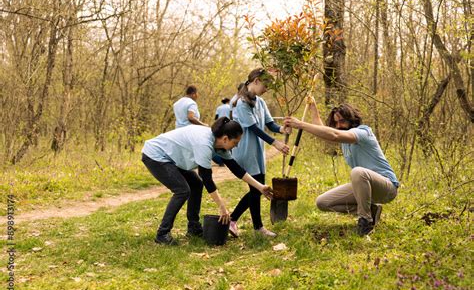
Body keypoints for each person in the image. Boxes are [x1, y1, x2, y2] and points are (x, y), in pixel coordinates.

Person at [142, 117, 273, 245]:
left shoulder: (219, 144)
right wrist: (222, 206)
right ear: (225, 138)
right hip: (156, 155)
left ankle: (193, 228)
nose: (236, 146)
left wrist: (260, 187)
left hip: (171, 157)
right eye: (235, 143)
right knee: (182, 190)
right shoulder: (204, 143)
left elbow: (236, 169)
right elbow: (207, 178)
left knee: (196, 184)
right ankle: (162, 234)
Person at [284, 101, 399, 235]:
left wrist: (300, 125)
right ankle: (372, 211)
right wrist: (313, 107)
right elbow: (325, 131)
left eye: (342, 121)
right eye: (336, 123)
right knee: (323, 202)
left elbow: (334, 134)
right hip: (365, 186)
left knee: (358, 172)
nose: (339, 126)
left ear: (352, 119)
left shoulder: (363, 132)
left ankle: (365, 222)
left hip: (386, 187)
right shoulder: (344, 141)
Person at [229, 68, 291, 238]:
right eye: (266, 85)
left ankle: (245, 224)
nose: (267, 89)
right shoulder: (240, 102)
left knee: (257, 189)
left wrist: (281, 129)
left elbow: (269, 124)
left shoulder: (260, 102)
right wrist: (275, 143)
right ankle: (245, 223)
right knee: (257, 189)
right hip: (246, 151)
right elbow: (254, 128)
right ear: (256, 80)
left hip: (257, 152)